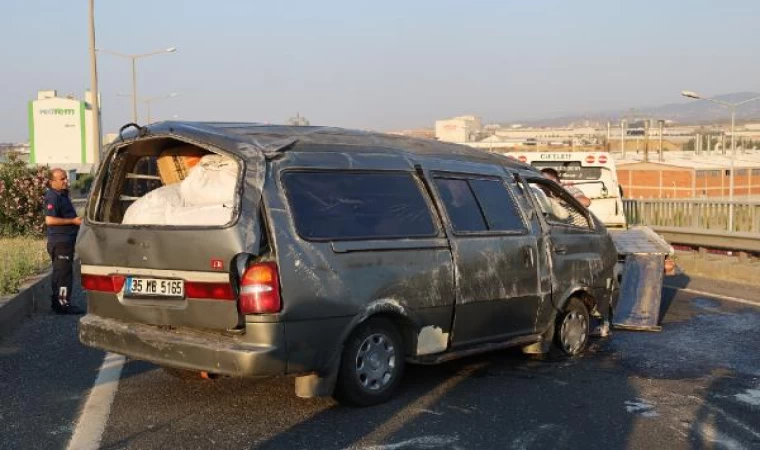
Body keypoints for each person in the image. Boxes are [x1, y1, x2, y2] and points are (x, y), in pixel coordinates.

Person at [44, 168, 84, 315]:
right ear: (52, 182)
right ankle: (63, 305)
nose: (66, 181)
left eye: (66, 178)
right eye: (62, 179)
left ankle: (58, 304)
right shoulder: (52, 196)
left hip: (66, 241)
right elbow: (49, 220)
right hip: (60, 242)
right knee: (63, 276)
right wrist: (72, 221)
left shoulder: (62, 194)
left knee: (60, 274)